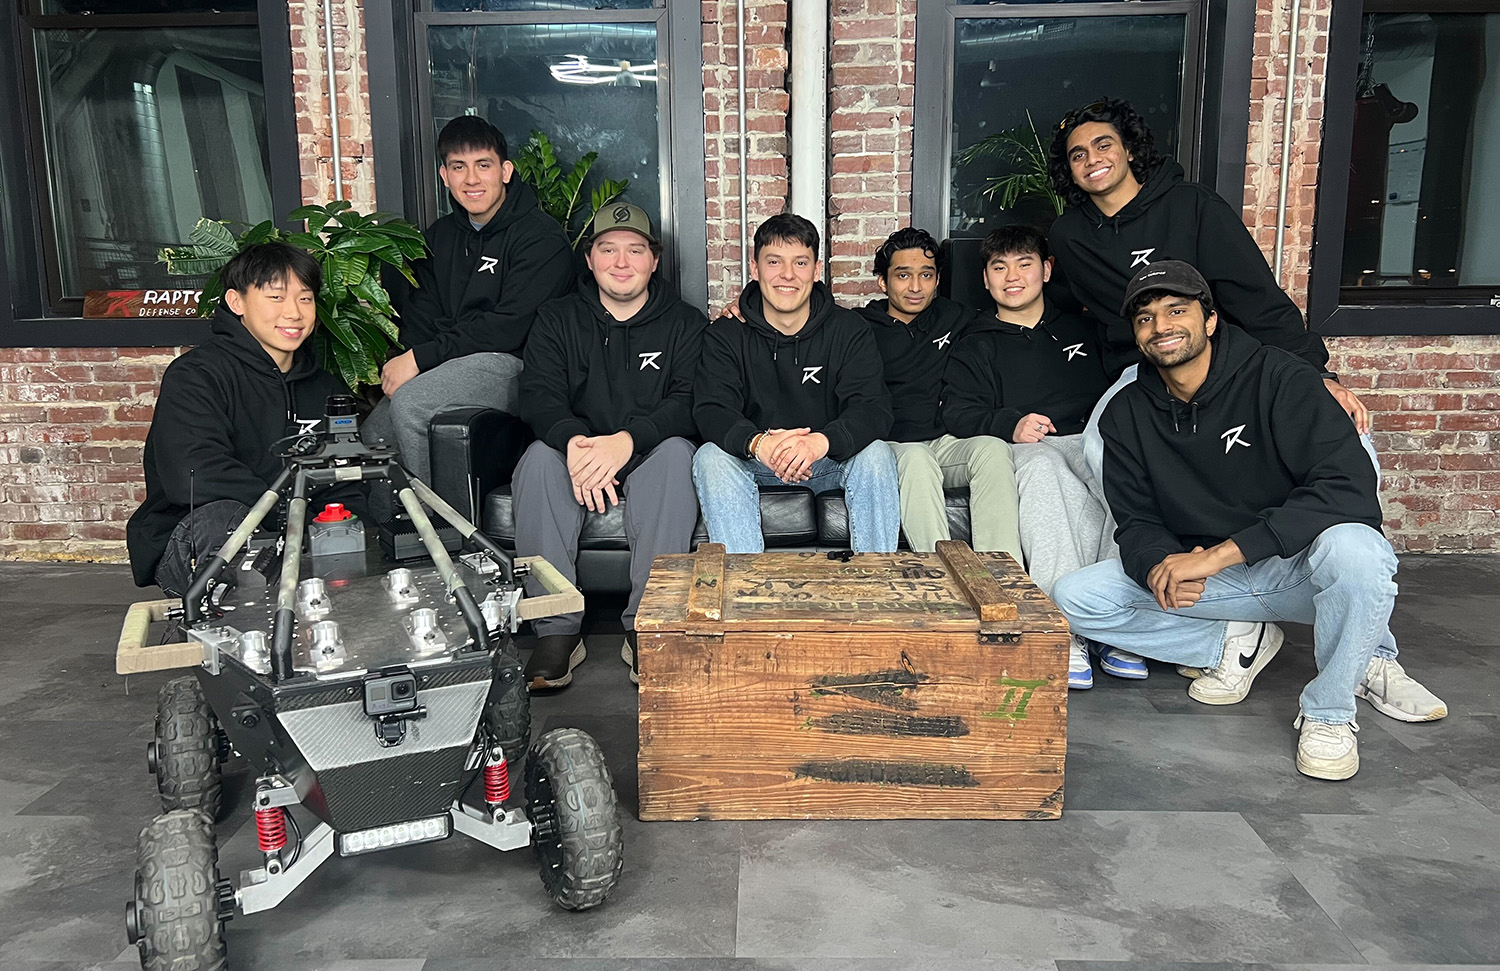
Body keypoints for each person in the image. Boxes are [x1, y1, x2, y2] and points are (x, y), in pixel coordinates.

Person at [1052, 262, 1448, 780]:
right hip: (1219, 581)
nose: (1162, 326)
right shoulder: (1126, 412)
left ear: (1210, 319)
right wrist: (1157, 566)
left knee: (1359, 550)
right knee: (1076, 597)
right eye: (1146, 318)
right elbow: (1136, 519)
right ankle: (1237, 639)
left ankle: (1332, 707)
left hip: (1298, 566)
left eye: (1177, 311)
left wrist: (1222, 554)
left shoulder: (1281, 378)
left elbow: (1349, 490)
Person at [1045, 98, 1369, 482]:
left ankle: (1346, 531)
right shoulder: (1069, 237)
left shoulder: (1193, 206)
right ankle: (1155, 539)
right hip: (1140, 369)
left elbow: (1258, 299)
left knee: (1337, 427)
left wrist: (1317, 375)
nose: (1092, 159)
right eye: (1078, 154)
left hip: (1222, 358)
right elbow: (1061, 302)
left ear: (1129, 150)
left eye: (1103, 145)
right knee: (1100, 447)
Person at [512, 204, 706, 689]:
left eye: (635, 250)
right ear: (591, 259)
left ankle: (647, 624)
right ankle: (556, 631)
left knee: (680, 456)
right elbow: (538, 394)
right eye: (608, 249)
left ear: (654, 260)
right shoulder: (557, 319)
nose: (622, 262)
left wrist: (627, 442)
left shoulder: (685, 323)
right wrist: (575, 444)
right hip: (574, 453)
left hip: (648, 455)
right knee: (537, 460)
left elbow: (690, 402)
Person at [941, 225, 1123, 689]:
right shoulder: (974, 341)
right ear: (985, 279)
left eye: (1025, 264)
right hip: (1031, 448)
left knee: (1124, 474)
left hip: (1092, 440)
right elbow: (959, 412)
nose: (1013, 277)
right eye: (999, 268)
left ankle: (1118, 621)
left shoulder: (1085, 326)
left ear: (1046, 269)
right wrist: (1010, 423)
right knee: (1044, 471)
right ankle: (1065, 627)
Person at [127, 242, 354, 595]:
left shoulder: (323, 387)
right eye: (276, 297)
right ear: (237, 303)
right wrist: (292, 514)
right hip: (200, 541)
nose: (294, 312)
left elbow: (347, 471)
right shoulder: (196, 376)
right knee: (226, 519)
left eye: (305, 298)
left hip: (296, 538)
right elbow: (194, 474)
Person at [363, 115, 575, 485]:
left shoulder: (540, 239)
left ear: (505, 171)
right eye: (459, 167)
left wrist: (420, 358)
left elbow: (508, 329)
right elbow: (422, 317)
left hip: (516, 364)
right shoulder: (439, 238)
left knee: (413, 407)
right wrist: (421, 356)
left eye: (483, 165)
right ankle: (397, 537)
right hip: (451, 361)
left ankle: (442, 531)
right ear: (444, 176)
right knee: (376, 434)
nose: (472, 179)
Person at [692, 212, 899, 553]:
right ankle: (748, 594)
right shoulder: (726, 335)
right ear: (755, 269)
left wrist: (819, 442)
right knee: (710, 457)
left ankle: (874, 587)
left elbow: (872, 407)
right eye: (774, 262)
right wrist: (759, 444)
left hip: (827, 460)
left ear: (817, 270)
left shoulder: (848, 330)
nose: (787, 275)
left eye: (800, 262)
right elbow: (711, 408)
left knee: (876, 454)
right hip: (757, 461)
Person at [856, 228, 1020, 557]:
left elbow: (1014, 318)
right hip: (891, 445)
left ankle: (1003, 578)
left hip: (945, 444)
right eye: (903, 275)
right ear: (883, 282)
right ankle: (942, 574)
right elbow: (800, 318)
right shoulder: (856, 327)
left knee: (991, 449)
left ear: (937, 279)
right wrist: (743, 310)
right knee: (917, 457)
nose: (916, 287)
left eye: (926, 275)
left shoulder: (957, 317)